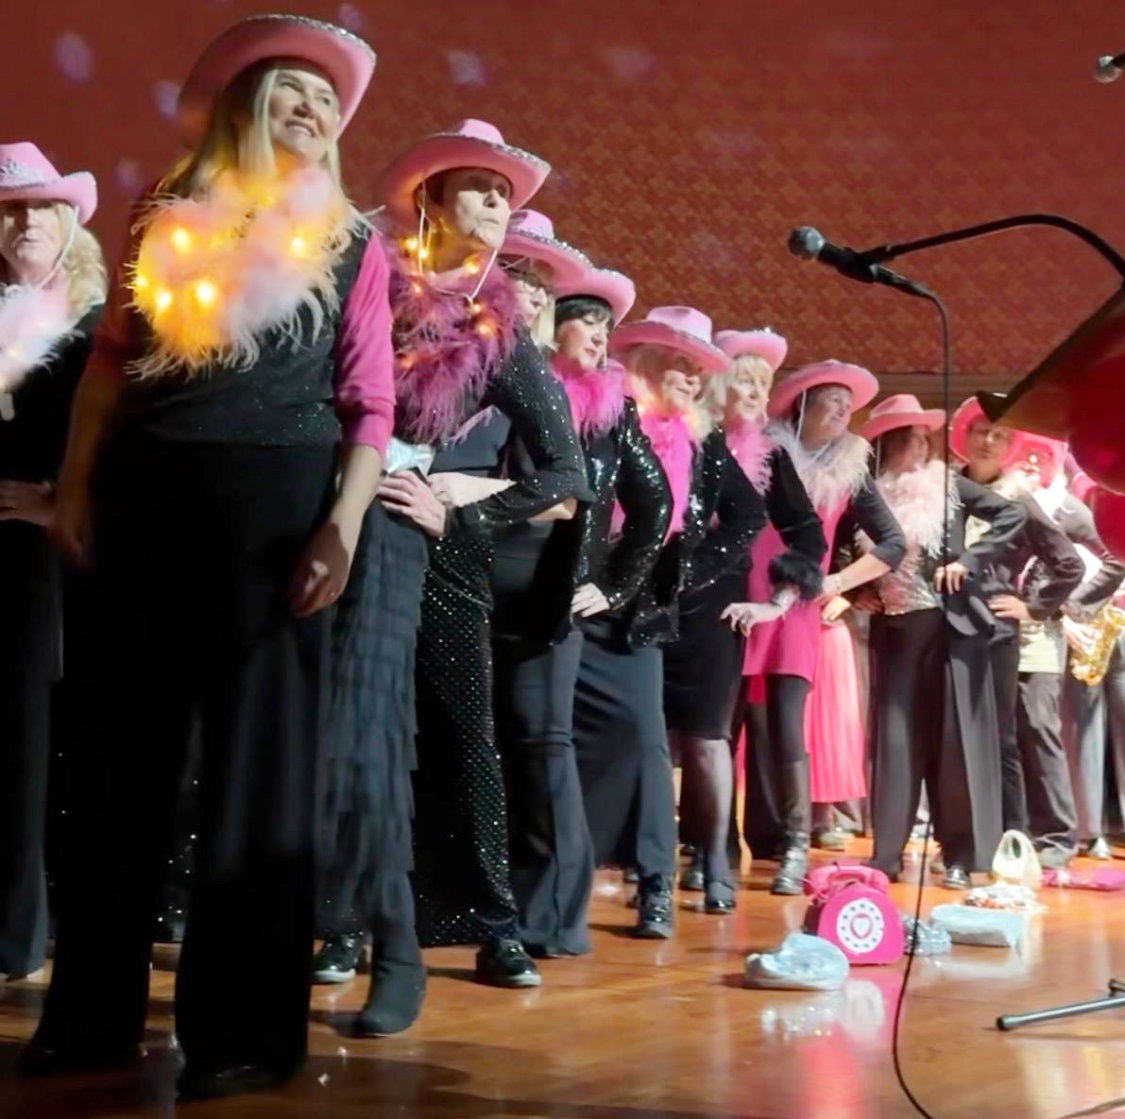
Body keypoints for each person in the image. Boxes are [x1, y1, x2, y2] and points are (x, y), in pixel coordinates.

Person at [26, 16, 390, 1098]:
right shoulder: (162, 214)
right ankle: (90, 1018)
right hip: (146, 491)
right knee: (115, 760)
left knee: (257, 773)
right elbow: (107, 363)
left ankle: (242, 1034)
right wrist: (75, 486)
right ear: (246, 105)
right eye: (293, 91)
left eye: (326, 100)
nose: (313, 111)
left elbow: (369, 401)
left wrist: (343, 524)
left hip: (281, 508)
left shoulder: (352, 242)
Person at [370, 120, 590, 989]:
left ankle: (491, 923)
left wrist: (465, 500)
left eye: (506, 193)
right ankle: (344, 915)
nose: (498, 204)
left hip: (437, 545)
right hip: (344, 525)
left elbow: (565, 469)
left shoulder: (498, 329)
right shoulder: (367, 284)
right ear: (428, 198)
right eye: (479, 187)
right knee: (356, 729)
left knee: (463, 734)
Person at [576, 306, 766, 938]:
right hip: (580, 600)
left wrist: (686, 569)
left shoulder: (703, 442)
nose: (693, 378)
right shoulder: (607, 419)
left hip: (645, 611)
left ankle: (658, 882)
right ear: (648, 364)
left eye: (699, 369)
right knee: (576, 744)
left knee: (651, 744)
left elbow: (746, 517)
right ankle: (570, 877)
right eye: (681, 364)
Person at [725, 361, 906, 895]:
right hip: (738, 594)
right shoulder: (763, 451)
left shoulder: (850, 468)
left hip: (797, 604)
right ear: (801, 404)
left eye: (848, 402)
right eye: (831, 398)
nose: (843, 408)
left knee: (786, 725)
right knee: (727, 723)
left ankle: (795, 846)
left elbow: (893, 543)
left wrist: (837, 583)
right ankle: (716, 844)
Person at [668, 328, 823, 911]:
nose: (759, 394)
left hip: (732, 609)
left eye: (765, 384)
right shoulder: (685, 438)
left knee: (718, 736)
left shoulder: (772, 456)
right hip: (668, 601)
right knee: (674, 738)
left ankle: (730, 860)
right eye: (747, 382)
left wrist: (777, 603)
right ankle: (691, 852)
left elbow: (809, 537)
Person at [0, 143, 106, 981]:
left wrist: (60, 505)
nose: (26, 221)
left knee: (41, 741)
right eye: (11, 209)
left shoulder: (96, 328)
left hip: (64, 559)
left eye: (42, 206)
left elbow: (127, 446)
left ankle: (22, 930)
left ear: (70, 220)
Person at [854, 395, 1025, 886]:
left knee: (954, 746)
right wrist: (857, 590)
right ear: (888, 443)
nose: (920, 446)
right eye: (909, 438)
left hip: (950, 632)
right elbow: (841, 544)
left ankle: (960, 857)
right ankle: (887, 854)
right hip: (895, 630)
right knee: (895, 741)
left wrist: (969, 560)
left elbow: (1011, 515)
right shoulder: (866, 492)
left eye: (923, 437)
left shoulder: (948, 485)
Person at [951, 399, 1084, 844]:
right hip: (944, 630)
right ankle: (965, 835)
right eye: (981, 431)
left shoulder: (1018, 499)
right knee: (953, 735)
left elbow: (1069, 564)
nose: (988, 442)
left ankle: (1012, 835)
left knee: (1002, 737)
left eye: (1000, 435)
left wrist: (1032, 607)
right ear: (965, 435)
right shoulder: (945, 489)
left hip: (994, 632)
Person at [1000, 432, 1124, 867]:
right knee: (1006, 735)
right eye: (1026, 454)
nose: (1033, 462)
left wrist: (1063, 607)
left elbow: (1115, 557)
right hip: (995, 633)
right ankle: (1015, 831)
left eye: (1043, 456)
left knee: (1040, 729)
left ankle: (1057, 836)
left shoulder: (1066, 508)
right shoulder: (1001, 499)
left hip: (1040, 634)